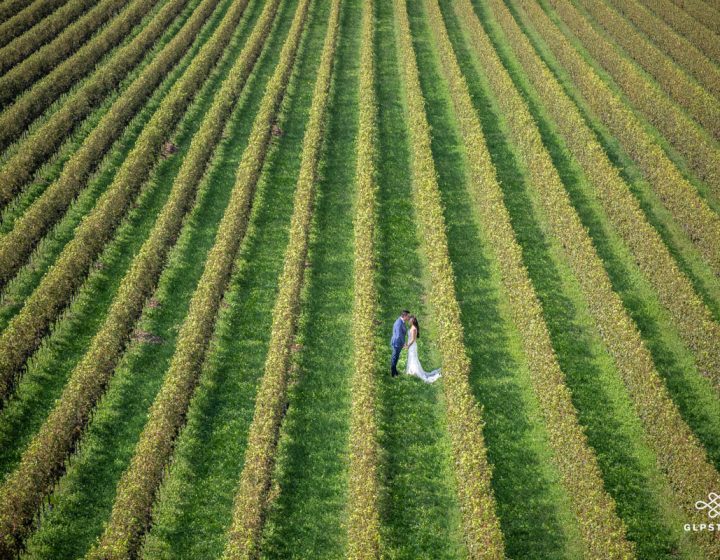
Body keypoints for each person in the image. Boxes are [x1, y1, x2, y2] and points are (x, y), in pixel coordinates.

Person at [405, 315, 441, 383]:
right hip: (411, 345)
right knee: (411, 358)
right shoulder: (412, 328)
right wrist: (407, 344)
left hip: (412, 346)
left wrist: (408, 345)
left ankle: (415, 372)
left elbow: (413, 339)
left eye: (409, 320)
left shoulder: (414, 329)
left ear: (412, 321)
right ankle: (412, 371)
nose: (408, 321)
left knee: (413, 358)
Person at [389, 310, 410, 377]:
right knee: (394, 357)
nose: (408, 317)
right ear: (404, 316)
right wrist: (404, 343)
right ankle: (393, 374)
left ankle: (395, 372)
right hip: (396, 343)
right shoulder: (399, 323)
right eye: (408, 316)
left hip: (398, 343)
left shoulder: (402, 322)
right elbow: (398, 335)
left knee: (396, 357)